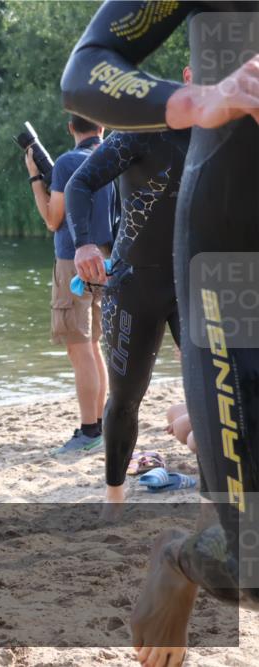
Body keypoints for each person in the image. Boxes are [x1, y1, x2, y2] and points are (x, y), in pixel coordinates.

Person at [62, 2, 259, 665]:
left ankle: (199, 425)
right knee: (251, 560)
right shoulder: (138, 141)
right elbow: (87, 71)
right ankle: (181, 557)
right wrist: (201, 98)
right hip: (232, 257)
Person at [66, 67, 193, 504]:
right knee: (126, 397)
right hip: (133, 283)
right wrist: (84, 245)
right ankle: (114, 496)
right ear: (190, 74)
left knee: (222, 390)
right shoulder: (144, 129)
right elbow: (80, 181)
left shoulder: (230, 135)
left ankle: (223, 497)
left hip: (194, 283)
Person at [25, 114, 114, 454]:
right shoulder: (111, 157)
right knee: (93, 344)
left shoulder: (66, 162)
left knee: (79, 347)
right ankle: (100, 424)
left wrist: (35, 176)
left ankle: (89, 431)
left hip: (72, 261)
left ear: (70, 127)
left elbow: (52, 218)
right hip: (105, 260)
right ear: (101, 127)